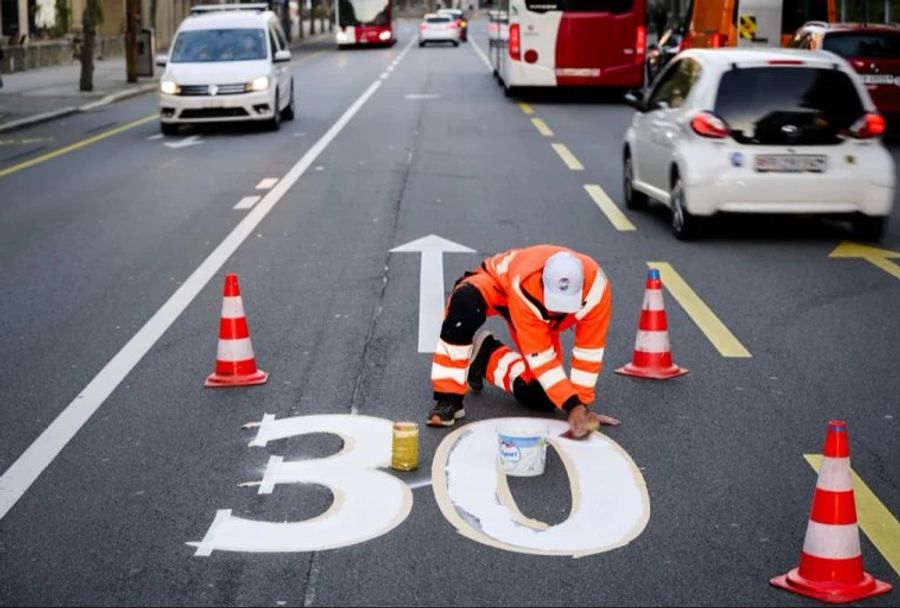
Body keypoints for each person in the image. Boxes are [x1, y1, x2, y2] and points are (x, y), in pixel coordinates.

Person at [428, 244, 620, 438]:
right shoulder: (526, 285)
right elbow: (541, 357)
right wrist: (573, 406)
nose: (560, 311)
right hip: (497, 284)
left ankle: (485, 355)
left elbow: (589, 351)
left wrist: (581, 404)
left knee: (542, 397)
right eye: (556, 304)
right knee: (464, 306)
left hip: (540, 317)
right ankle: (449, 398)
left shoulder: (597, 291)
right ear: (542, 284)